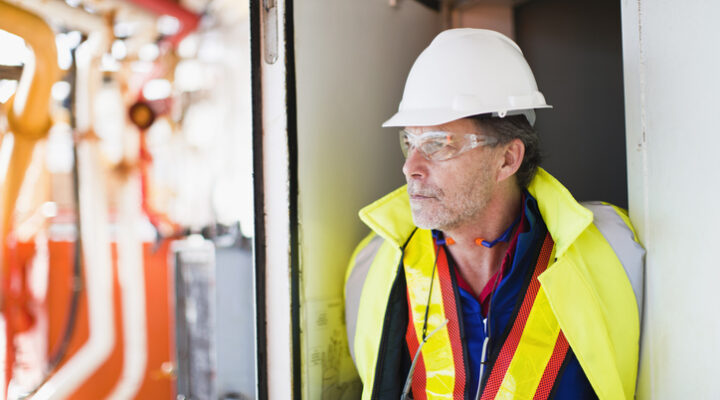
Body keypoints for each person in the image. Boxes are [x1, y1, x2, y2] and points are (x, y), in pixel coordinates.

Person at [344, 29, 644, 400]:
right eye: (409, 142)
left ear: (507, 159)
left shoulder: (614, 253)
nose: (411, 167)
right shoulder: (375, 267)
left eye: (437, 144)